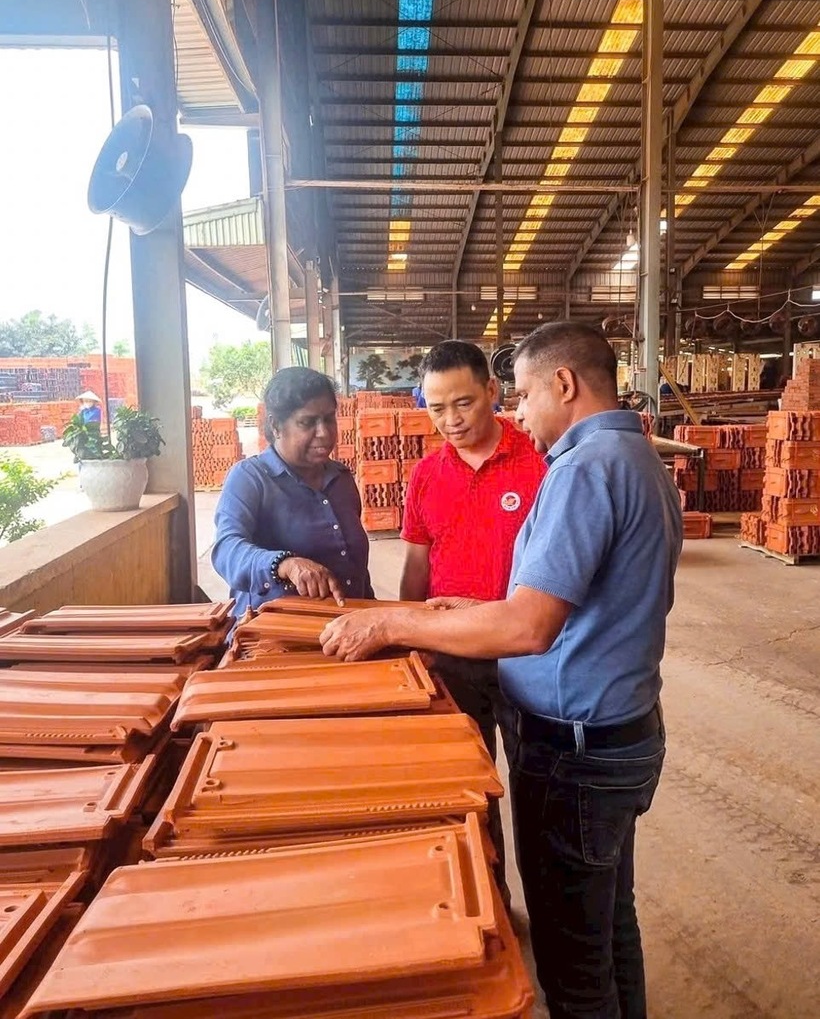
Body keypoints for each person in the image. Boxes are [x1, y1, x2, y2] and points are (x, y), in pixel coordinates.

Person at [321, 321, 683, 1019]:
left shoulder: (580, 470)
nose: (519, 412)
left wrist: (394, 621)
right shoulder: (638, 458)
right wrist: (451, 610)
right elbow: (568, 602)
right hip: (623, 731)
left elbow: (527, 626)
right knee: (611, 925)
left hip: (575, 749)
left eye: (520, 394)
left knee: (571, 962)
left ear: (564, 384)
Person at [401, 339, 545, 897]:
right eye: (436, 408)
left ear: (492, 391)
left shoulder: (539, 461)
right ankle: (494, 905)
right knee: (468, 792)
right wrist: (411, 641)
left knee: (535, 793)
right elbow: (416, 567)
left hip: (529, 657)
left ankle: (549, 916)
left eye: (463, 403)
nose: (451, 421)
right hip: (454, 658)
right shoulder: (427, 476)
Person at [212, 366, 374, 619]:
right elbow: (227, 550)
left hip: (348, 628)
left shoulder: (341, 479)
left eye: (329, 419)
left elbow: (357, 570)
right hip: (276, 634)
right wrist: (285, 565)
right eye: (307, 422)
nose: (324, 433)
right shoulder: (250, 479)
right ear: (276, 426)